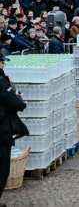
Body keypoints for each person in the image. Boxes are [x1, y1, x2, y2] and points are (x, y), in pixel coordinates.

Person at [0, 55, 29, 202]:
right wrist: (18, 98)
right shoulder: (1, 81)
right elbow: (15, 103)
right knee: (2, 168)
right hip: (2, 130)